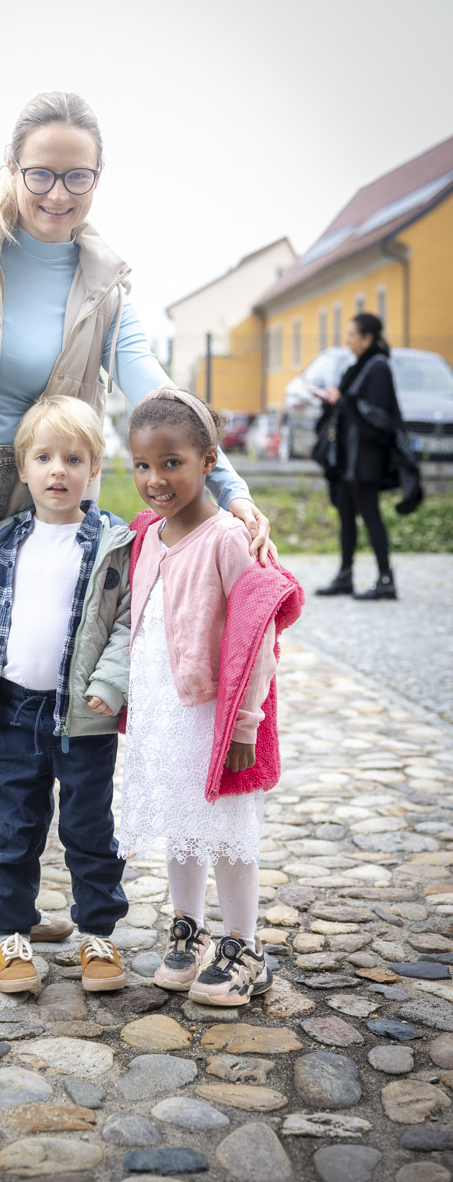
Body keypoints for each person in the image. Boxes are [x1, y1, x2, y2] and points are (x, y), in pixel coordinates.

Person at [0, 90, 274, 1002]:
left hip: (35, 492)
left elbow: (153, 389)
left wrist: (231, 493)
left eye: (78, 174)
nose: (58, 191)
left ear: (96, 179)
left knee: (3, 707)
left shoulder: (103, 279)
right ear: (12, 169)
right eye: (41, 171)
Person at [0, 396, 131, 998]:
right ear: (22, 467)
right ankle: (12, 935)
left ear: (93, 467)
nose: (58, 471)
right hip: (15, 709)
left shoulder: (111, 542)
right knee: (17, 826)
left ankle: (97, 932)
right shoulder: (0, 540)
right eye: (43, 457)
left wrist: (110, 683)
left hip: (84, 715)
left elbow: (129, 622)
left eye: (73, 458)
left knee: (89, 827)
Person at [118, 386, 303, 1007]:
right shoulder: (150, 535)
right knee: (181, 824)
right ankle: (188, 929)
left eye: (172, 463)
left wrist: (245, 727)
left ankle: (243, 945)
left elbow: (257, 637)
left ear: (208, 462)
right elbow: (139, 623)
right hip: (161, 708)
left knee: (227, 830)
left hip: (211, 715)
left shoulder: (227, 538)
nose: (155, 479)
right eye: (143, 465)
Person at [314, 312, 422, 601]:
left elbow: (377, 417)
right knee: (346, 514)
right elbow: (352, 406)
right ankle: (345, 575)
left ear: (367, 338)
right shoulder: (359, 366)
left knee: (370, 515)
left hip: (366, 460)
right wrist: (333, 401)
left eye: (352, 335)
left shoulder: (378, 368)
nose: (347, 340)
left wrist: (342, 401)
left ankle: (386, 580)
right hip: (348, 458)